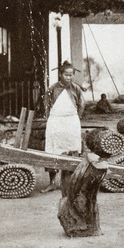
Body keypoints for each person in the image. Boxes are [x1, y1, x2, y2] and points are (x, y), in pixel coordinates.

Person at [42, 61, 85, 193]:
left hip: (71, 121)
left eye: (71, 75)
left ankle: (69, 182)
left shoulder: (76, 89)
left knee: (71, 149)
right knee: (52, 149)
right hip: (55, 121)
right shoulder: (53, 88)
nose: (68, 77)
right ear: (60, 74)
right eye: (66, 75)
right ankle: (52, 182)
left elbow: (82, 104)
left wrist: (76, 117)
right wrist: (50, 117)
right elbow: (46, 104)